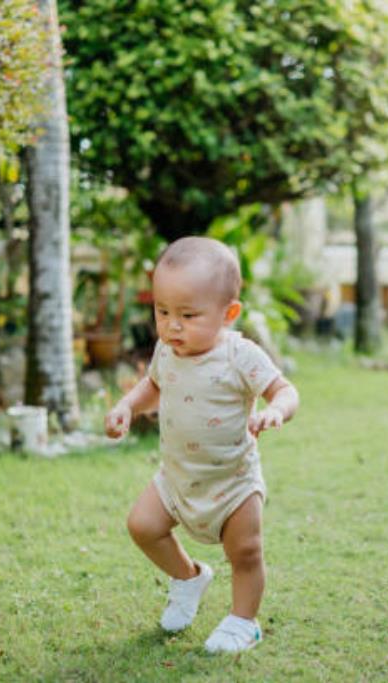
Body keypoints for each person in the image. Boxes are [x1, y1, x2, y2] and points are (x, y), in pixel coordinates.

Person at [105, 236, 299, 654]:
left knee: (245, 552)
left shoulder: (240, 355)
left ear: (228, 313)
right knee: (143, 526)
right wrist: (128, 406)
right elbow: (153, 385)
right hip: (177, 478)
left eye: (188, 315)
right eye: (163, 312)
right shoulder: (167, 349)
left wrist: (276, 411)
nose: (172, 325)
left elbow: (285, 390)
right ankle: (189, 576)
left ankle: (243, 622)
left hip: (233, 481)